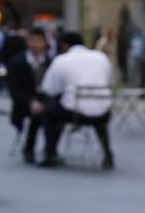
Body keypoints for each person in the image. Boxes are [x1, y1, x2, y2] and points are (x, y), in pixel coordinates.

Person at [36, 32, 114, 170]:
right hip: (103, 113)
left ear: (65, 45)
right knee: (97, 114)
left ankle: (50, 153)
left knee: (49, 114)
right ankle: (107, 152)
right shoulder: (101, 57)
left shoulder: (62, 60)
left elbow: (49, 89)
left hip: (74, 113)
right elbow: (109, 82)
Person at [7, 27, 52, 163]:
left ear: (45, 43)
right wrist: (30, 101)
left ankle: (51, 150)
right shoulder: (17, 62)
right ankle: (29, 148)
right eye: (33, 40)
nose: (36, 44)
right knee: (37, 114)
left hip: (45, 101)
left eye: (39, 41)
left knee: (54, 113)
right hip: (23, 104)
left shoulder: (51, 62)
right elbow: (14, 91)